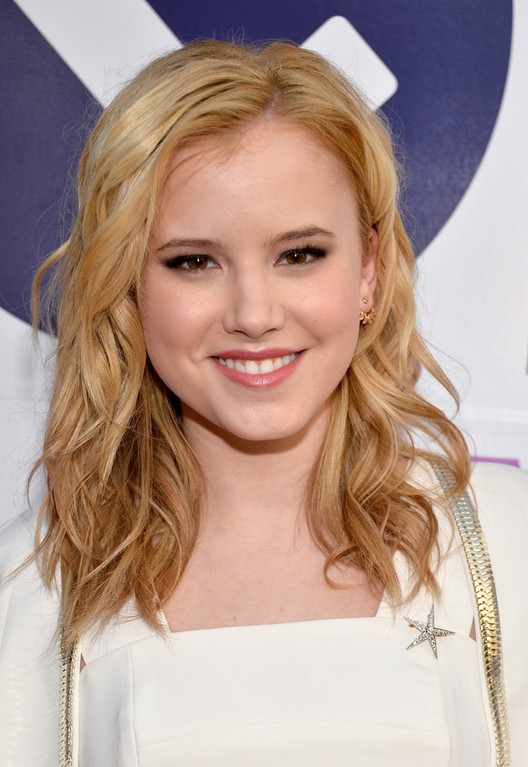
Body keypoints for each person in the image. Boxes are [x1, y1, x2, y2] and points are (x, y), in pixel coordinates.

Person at [0, 39, 527, 767]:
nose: (253, 314)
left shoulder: (507, 540)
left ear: (369, 270)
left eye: (299, 254)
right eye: (194, 261)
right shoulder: (33, 587)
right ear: (128, 287)